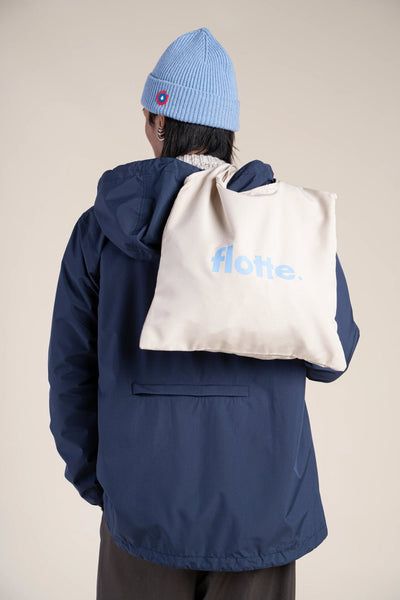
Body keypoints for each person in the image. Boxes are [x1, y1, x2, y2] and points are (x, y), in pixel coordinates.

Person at [48, 27, 360, 600]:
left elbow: (71, 372)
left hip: (141, 509)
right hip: (263, 511)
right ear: (228, 132)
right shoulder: (287, 227)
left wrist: (103, 484)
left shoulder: (99, 230)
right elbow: (334, 354)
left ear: (157, 121)